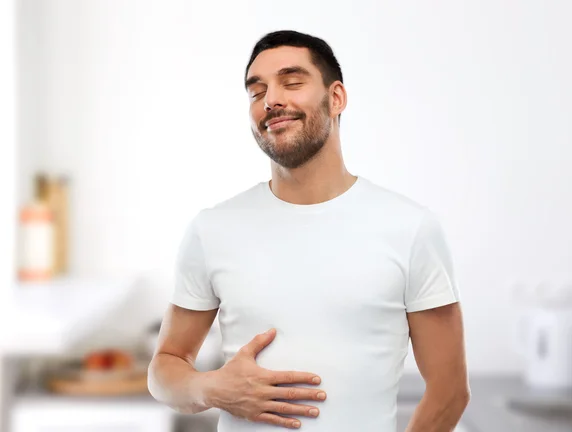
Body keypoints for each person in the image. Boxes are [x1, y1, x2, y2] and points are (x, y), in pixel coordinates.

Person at [148, 30, 470, 431]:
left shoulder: (410, 228)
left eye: (292, 82)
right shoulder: (212, 229)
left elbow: (450, 389)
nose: (271, 99)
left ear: (336, 98)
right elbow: (164, 370)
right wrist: (213, 388)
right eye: (257, 91)